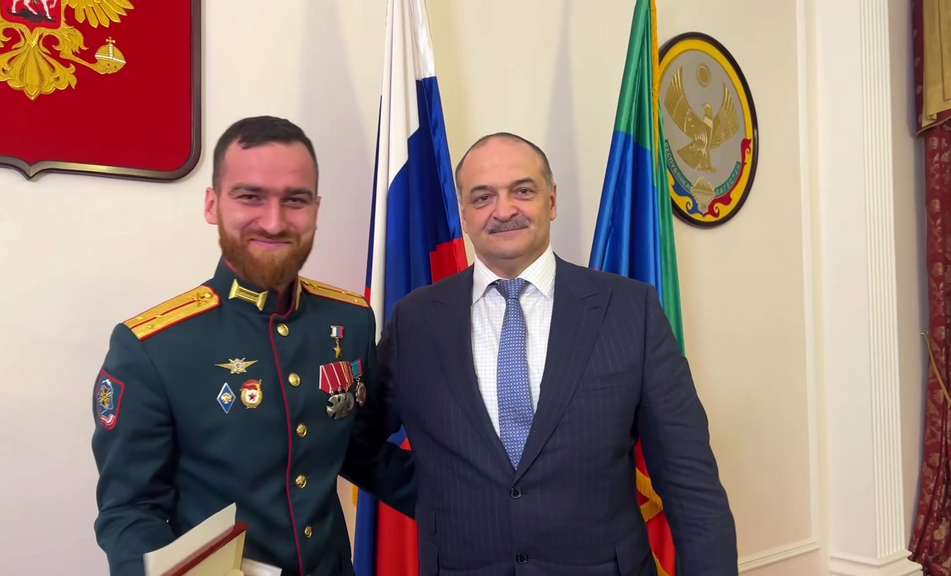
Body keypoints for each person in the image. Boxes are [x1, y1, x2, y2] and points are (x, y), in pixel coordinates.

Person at [376, 133, 738, 575]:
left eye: (522, 191)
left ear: (551, 201)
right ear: (464, 214)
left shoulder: (630, 309)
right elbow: (353, 439)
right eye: (483, 197)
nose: (504, 210)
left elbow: (690, 482)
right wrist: (436, 494)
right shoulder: (415, 321)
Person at [90, 116, 415, 576]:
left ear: (316, 209)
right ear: (212, 205)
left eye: (295, 200)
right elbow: (130, 511)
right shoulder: (152, 347)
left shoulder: (349, 319)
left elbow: (358, 451)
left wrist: (483, 504)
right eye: (250, 197)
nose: (274, 221)